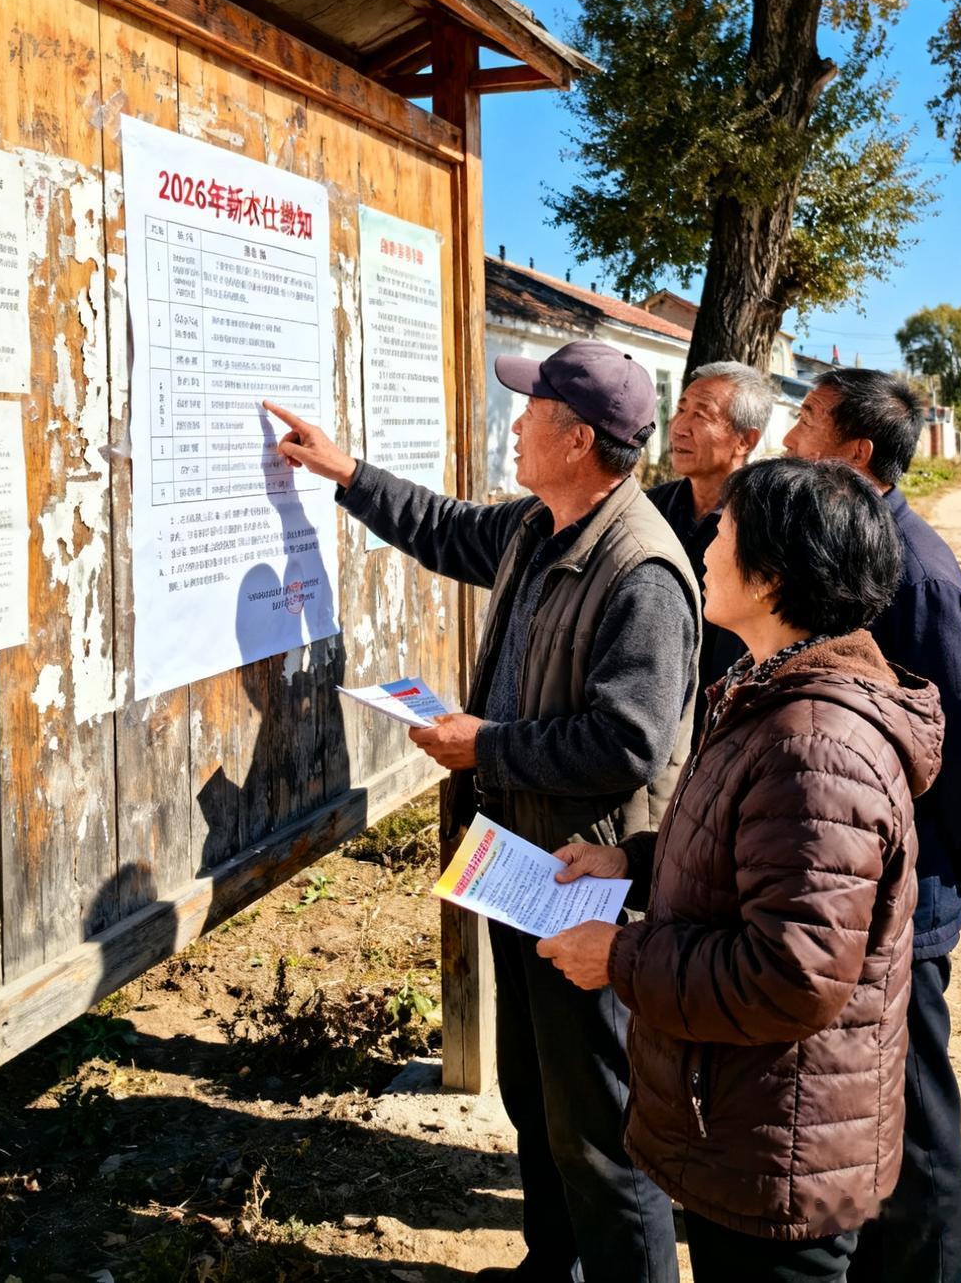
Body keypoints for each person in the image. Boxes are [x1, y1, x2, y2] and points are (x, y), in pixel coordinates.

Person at [264, 338, 701, 1283]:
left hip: (587, 879)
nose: (514, 426)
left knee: (601, 1122)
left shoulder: (644, 572)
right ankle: (556, 1268)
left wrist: (485, 745)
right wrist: (346, 471)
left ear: (578, 439)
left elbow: (627, 743)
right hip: (518, 860)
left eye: (530, 412)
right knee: (535, 1095)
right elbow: (443, 526)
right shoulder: (539, 527)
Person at [537, 457, 944, 1283]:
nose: (704, 548)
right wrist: (633, 862)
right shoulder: (769, 691)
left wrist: (616, 958)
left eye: (723, 532)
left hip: (781, 1145)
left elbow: (789, 975)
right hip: (749, 1120)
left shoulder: (814, 746)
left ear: (772, 577)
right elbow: (750, 860)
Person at [783, 368, 961, 1283]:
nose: (789, 435)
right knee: (871, 1104)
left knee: (914, 1113)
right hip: (860, 879)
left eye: (805, 421)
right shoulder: (840, 546)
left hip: (908, 891)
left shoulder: (911, 570)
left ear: (855, 453)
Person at [649, 361, 776, 726]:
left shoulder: (765, 527)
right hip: (654, 718)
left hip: (727, 725)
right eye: (680, 409)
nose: (680, 427)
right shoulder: (649, 511)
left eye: (701, 415)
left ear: (745, 440)